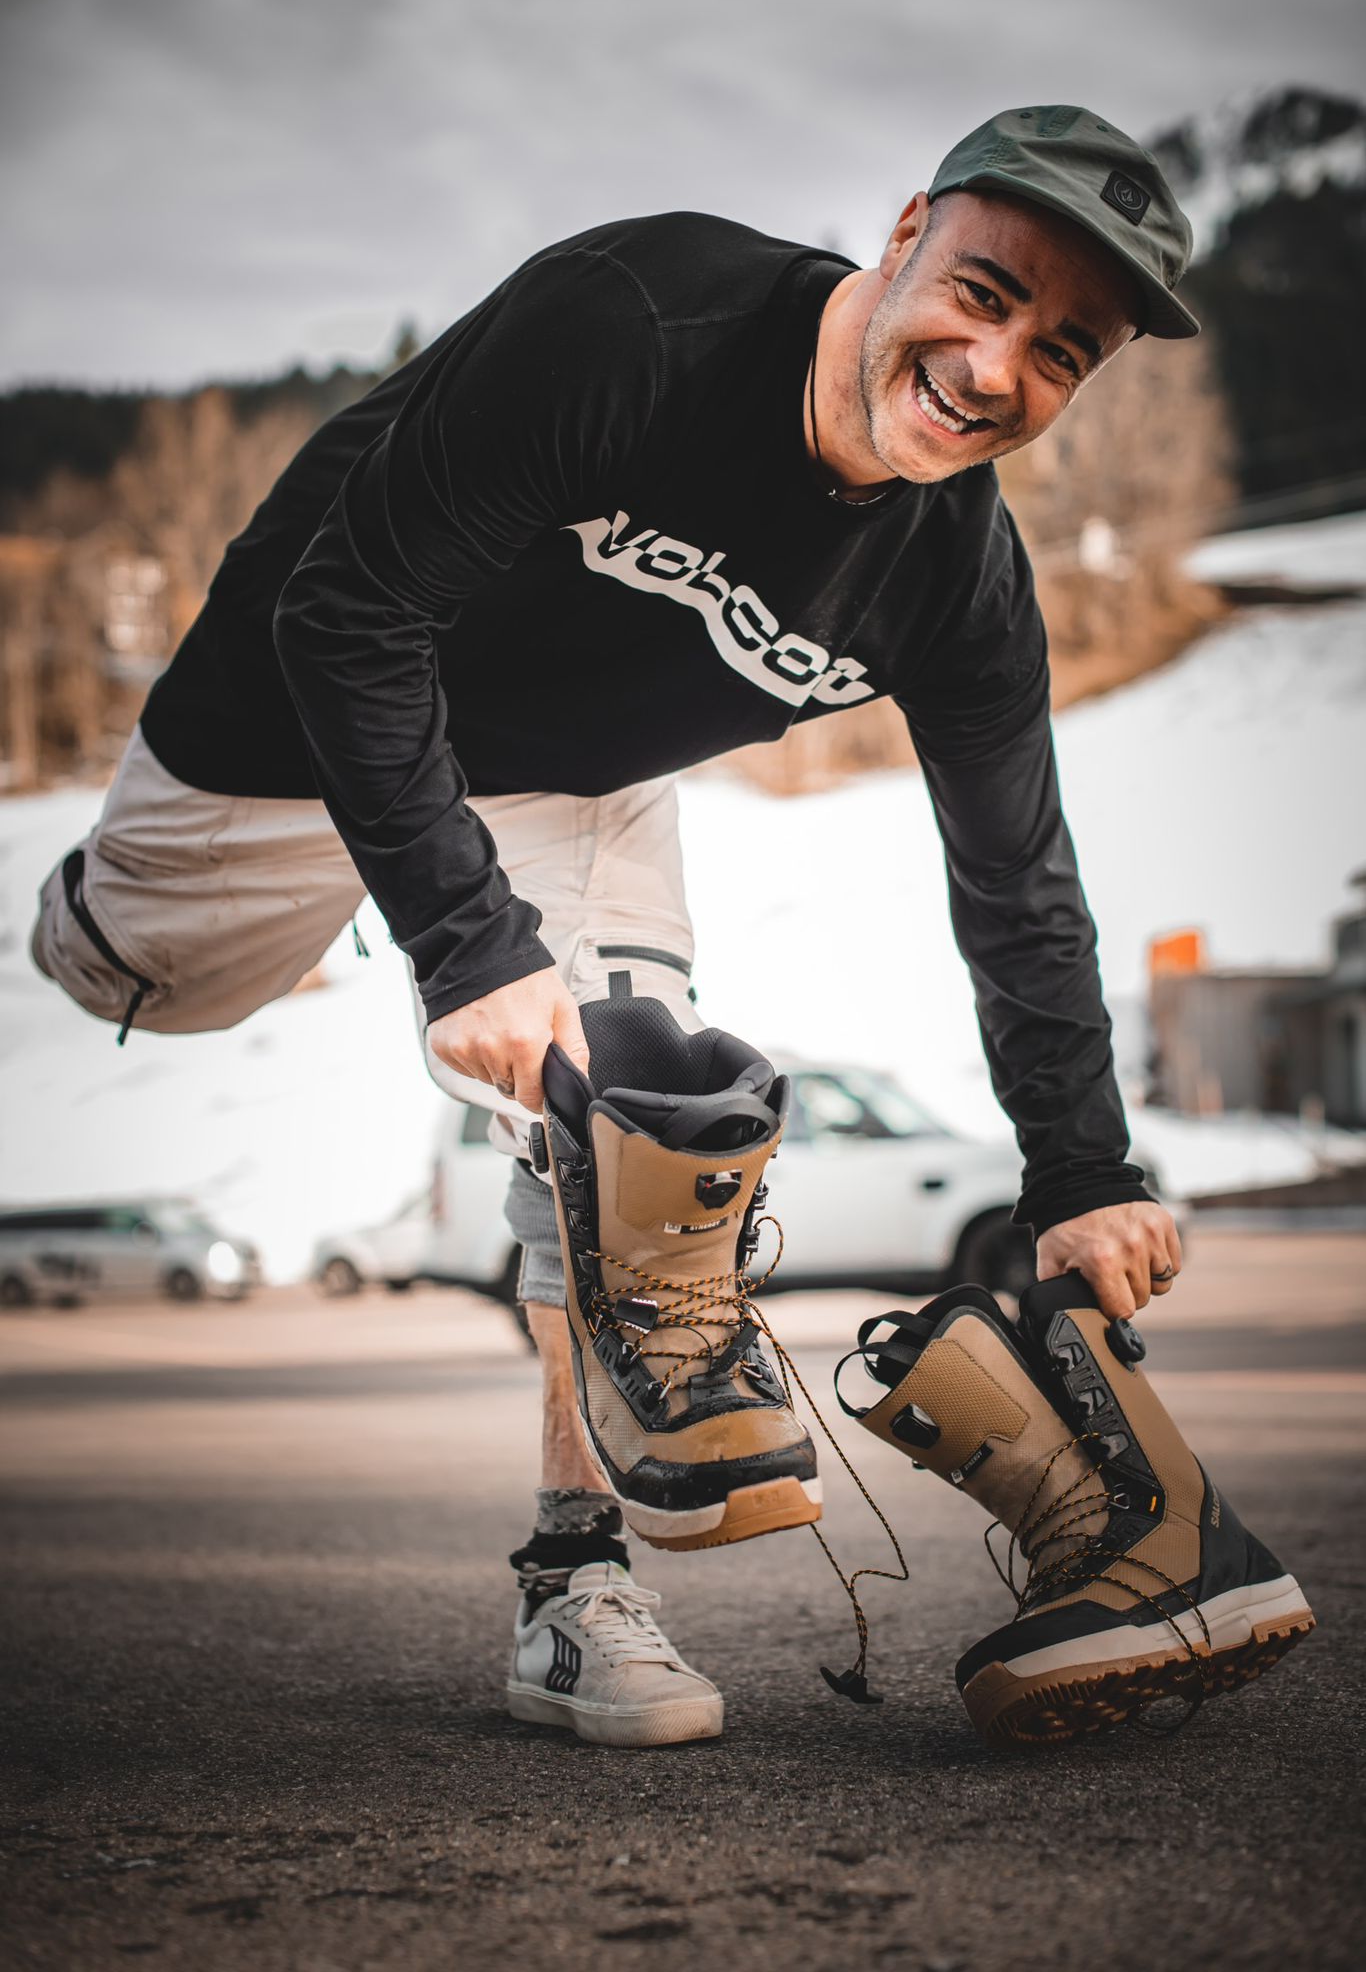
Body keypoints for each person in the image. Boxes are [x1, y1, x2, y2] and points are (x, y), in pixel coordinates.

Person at [33, 105, 1194, 1747]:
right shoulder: (637, 326)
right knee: (126, 972)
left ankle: (574, 1587)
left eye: (1059, 352)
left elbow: (1017, 882)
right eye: (986, 292)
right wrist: (456, 937)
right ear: (909, 229)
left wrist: (1079, 1173)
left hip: (572, 793)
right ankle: (159, 924)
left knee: (634, 1130)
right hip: (294, 717)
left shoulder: (958, 586)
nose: (995, 366)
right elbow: (351, 612)